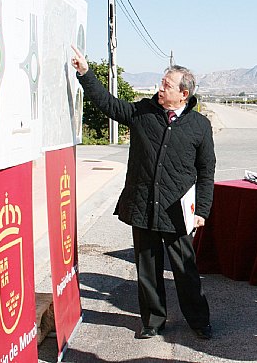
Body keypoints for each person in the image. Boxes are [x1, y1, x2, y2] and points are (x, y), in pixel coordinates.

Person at [71, 46, 215, 340]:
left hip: (177, 210)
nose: (160, 89)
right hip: (144, 206)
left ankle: (199, 321)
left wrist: (202, 210)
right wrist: (86, 73)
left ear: (183, 94)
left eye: (166, 85)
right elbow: (108, 104)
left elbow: (206, 170)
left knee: (185, 271)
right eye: (161, 83)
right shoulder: (142, 112)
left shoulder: (200, 126)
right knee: (147, 269)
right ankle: (153, 321)